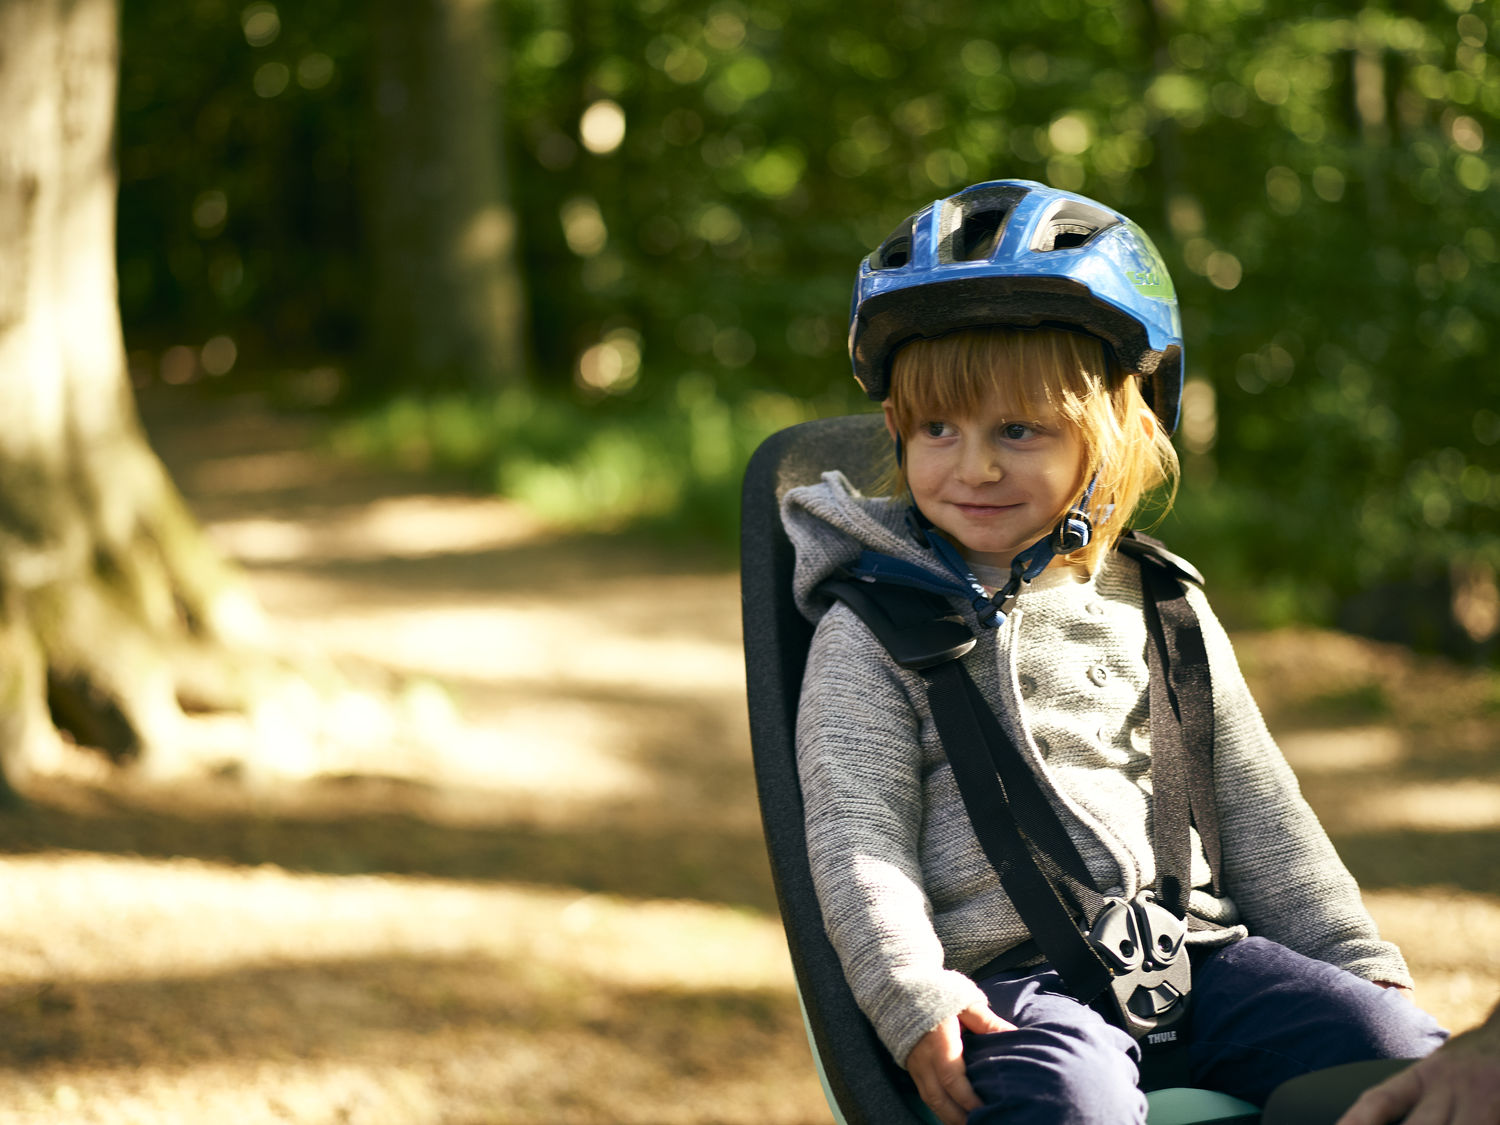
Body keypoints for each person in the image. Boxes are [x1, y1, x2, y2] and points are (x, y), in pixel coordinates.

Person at [782, 179, 1447, 1125]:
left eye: (1019, 429)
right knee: (1067, 1100)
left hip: (1200, 956)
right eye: (939, 428)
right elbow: (858, 840)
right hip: (1013, 984)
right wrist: (911, 992)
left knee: (1407, 1059)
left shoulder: (1165, 605)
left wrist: (1359, 967)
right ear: (898, 427)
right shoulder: (869, 627)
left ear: (1116, 435)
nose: (972, 465)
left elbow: (1261, 805)